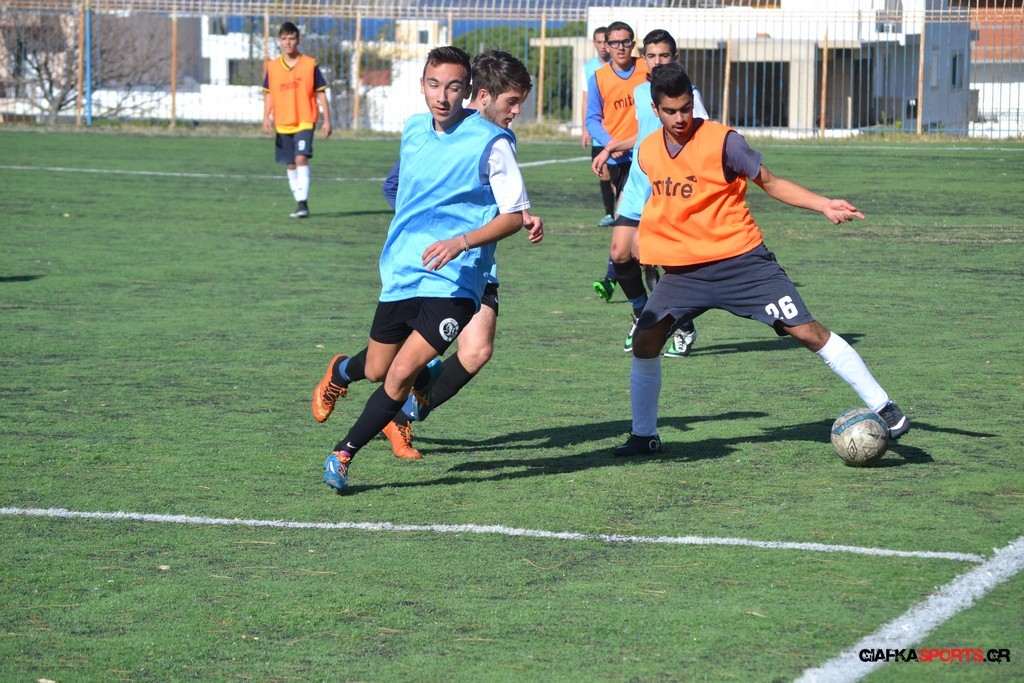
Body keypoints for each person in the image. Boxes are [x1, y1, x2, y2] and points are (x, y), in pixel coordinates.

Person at [615, 62, 909, 457]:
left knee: (807, 332)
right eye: (671, 111)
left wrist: (823, 204)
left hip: (742, 263)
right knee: (645, 340)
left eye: (686, 108)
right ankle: (643, 436)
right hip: (684, 274)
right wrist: (643, 243)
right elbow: (658, 204)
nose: (680, 118)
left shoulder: (724, 141)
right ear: (656, 109)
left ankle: (884, 407)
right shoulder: (648, 149)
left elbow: (770, 182)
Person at [312, 46, 529, 492]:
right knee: (378, 369)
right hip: (402, 271)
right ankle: (342, 371)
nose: (442, 96)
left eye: (453, 87)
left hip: (456, 280)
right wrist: (421, 223)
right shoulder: (413, 129)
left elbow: (512, 215)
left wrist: (459, 240)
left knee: (405, 372)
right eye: (434, 85)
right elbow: (399, 188)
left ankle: (343, 453)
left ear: (468, 90)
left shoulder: (492, 141)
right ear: (422, 86)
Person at [373, 49, 544, 460]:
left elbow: (494, 199)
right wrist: (429, 226)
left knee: (476, 351)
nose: (517, 111)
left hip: (477, 262)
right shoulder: (437, 134)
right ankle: (358, 384)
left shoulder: (497, 139)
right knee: (392, 360)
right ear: (482, 96)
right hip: (440, 264)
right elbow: (397, 186)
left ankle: (403, 414)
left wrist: (521, 216)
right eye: (512, 102)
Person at [592, 29, 708, 357]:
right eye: (652, 56)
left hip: (666, 187)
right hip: (636, 183)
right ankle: (642, 314)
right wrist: (611, 147)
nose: (658, 61)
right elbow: (644, 134)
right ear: (644, 59)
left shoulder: (689, 95)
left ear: (675, 58)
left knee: (652, 260)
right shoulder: (642, 92)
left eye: (664, 55)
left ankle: (682, 326)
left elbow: (702, 138)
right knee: (620, 253)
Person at [585, 21, 648, 303]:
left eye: (625, 42)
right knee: (627, 217)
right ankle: (618, 275)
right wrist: (611, 144)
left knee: (634, 215)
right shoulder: (599, 77)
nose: (620, 47)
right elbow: (591, 119)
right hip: (620, 159)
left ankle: (615, 276)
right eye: (614, 42)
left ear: (633, 43)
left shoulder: (647, 68)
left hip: (648, 155)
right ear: (606, 45)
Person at [262, 21, 332, 219]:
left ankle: (303, 204)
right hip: (282, 121)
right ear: (279, 41)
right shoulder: (272, 66)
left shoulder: (310, 64)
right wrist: (266, 116)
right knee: (291, 163)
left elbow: (321, 94)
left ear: (298, 40)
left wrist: (327, 120)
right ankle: (299, 202)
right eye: (284, 38)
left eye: (291, 38)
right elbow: (268, 94)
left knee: (301, 158)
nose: (288, 42)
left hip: (304, 119)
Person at [581, 27, 615, 231]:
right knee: (604, 173)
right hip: (598, 132)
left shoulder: (617, 67)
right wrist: (586, 129)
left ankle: (621, 213)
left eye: (605, 42)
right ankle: (609, 213)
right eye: (599, 42)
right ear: (594, 43)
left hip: (616, 131)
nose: (603, 46)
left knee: (618, 175)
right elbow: (586, 99)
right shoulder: (589, 68)